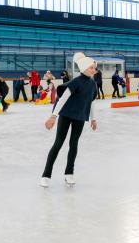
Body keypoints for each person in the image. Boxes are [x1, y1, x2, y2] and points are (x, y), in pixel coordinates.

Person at [40, 52, 98, 187]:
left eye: (94, 68)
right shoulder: (76, 82)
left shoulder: (93, 84)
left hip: (80, 117)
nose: (94, 70)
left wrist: (93, 119)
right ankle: (46, 175)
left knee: (74, 145)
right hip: (66, 115)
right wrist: (53, 116)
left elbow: (92, 101)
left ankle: (69, 173)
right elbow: (62, 99)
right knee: (58, 144)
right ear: (84, 68)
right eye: (91, 67)